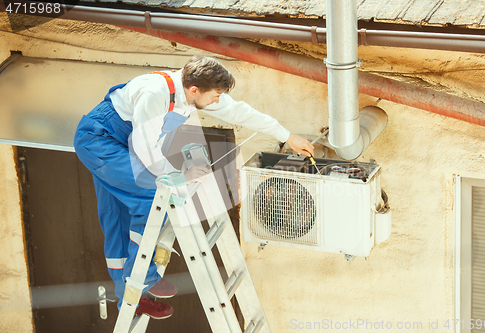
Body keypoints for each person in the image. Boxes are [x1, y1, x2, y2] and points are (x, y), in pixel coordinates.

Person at [73, 55, 314, 319]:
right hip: (100, 140)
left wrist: (287, 136)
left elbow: (241, 112)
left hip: (124, 141)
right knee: (153, 195)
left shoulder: (191, 91)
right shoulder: (155, 93)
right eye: (216, 95)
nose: (218, 101)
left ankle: (130, 298)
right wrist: (181, 174)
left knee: (117, 214)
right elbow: (145, 149)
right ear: (195, 89)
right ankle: (142, 278)